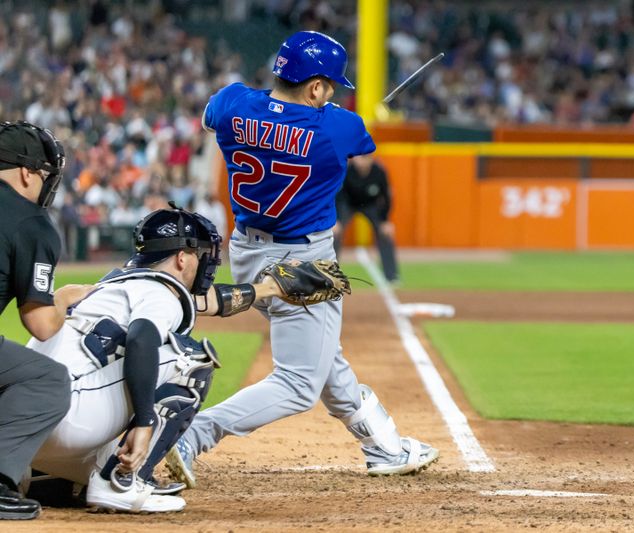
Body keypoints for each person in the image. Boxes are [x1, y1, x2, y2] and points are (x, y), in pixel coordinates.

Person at [166, 31, 438, 489]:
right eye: (330, 85)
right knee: (297, 382)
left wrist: (279, 119)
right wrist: (322, 115)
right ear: (315, 86)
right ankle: (191, 434)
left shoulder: (234, 102)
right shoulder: (339, 127)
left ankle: (384, 446)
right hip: (303, 260)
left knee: (321, 353)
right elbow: (359, 140)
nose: (333, 93)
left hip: (247, 252)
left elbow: (215, 117)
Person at [26, 204, 311, 513]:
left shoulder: (116, 285)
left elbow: (211, 301)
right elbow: (141, 338)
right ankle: (121, 482)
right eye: (201, 255)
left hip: (26, 431)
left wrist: (270, 288)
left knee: (111, 386)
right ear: (181, 258)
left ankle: (40, 479)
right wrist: (146, 421)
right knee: (190, 360)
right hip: (70, 421)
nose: (206, 264)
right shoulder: (160, 292)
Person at [0, 121, 94, 520]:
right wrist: (63, 298)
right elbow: (40, 324)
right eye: (44, 175)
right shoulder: (30, 221)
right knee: (45, 379)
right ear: (26, 172)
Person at [333, 154, 400, 283]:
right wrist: (337, 220)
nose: (362, 161)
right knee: (334, 234)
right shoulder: (347, 171)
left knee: (385, 234)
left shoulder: (379, 171)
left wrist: (385, 220)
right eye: (360, 157)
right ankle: (330, 272)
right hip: (349, 204)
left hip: (370, 204)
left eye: (366, 157)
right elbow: (339, 196)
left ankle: (392, 275)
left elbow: (386, 196)